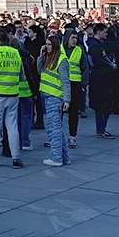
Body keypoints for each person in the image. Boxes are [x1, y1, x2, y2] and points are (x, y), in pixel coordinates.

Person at [0, 28, 27, 168]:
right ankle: (16, 158)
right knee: (12, 126)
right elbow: (22, 76)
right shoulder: (16, 53)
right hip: (13, 94)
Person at [40, 32, 72, 167]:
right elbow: (39, 70)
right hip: (47, 95)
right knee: (56, 127)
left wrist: (67, 100)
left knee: (53, 128)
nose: (46, 47)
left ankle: (56, 157)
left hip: (55, 97)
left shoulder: (61, 60)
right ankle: (64, 157)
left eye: (49, 45)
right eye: (46, 44)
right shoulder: (48, 58)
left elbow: (66, 82)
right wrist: (40, 56)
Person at [87, 25, 119, 138]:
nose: (106, 34)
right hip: (100, 79)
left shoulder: (97, 45)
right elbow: (97, 62)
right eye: (104, 32)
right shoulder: (95, 46)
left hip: (101, 78)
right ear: (98, 32)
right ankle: (101, 129)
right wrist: (110, 66)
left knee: (103, 106)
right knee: (104, 105)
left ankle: (101, 129)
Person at [62, 32, 87, 148]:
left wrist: (83, 85)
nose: (75, 40)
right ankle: (58, 136)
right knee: (59, 112)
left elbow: (85, 68)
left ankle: (72, 137)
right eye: (72, 38)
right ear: (67, 38)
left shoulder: (79, 50)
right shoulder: (60, 49)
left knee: (73, 112)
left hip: (75, 84)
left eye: (76, 38)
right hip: (61, 84)